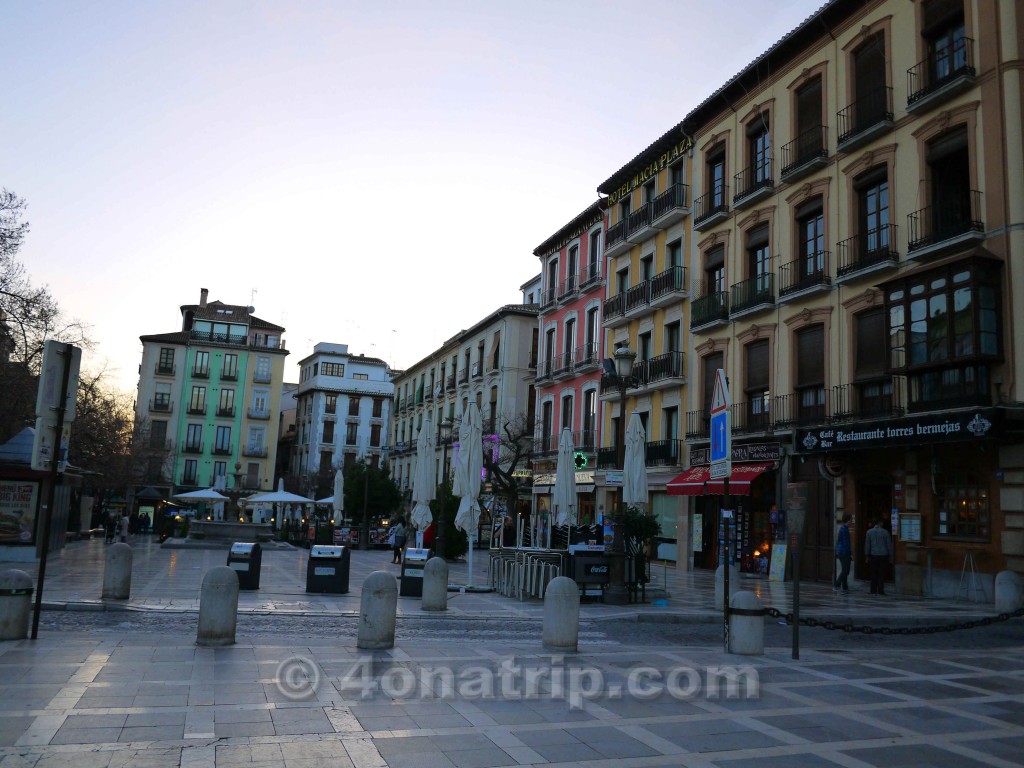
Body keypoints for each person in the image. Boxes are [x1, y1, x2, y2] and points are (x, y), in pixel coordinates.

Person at [864, 517, 893, 595]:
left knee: (873, 573)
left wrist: (867, 555)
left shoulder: (869, 532)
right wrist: (891, 556)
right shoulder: (886, 532)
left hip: (873, 555)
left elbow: (867, 545)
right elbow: (889, 545)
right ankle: (881, 590)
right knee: (881, 573)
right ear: (880, 523)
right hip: (883, 555)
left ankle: (873, 590)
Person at [834, 514, 853, 592]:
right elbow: (846, 543)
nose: (851, 522)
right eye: (851, 520)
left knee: (845, 570)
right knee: (845, 570)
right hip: (844, 552)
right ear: (848, 520)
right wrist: (850, 553)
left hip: (841, 551)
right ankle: (837, 585)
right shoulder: (844, 529)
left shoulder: (843, 528)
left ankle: (845, 586)